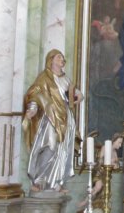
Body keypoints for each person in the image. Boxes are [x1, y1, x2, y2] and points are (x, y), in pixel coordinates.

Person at [22, 49, 83, 193]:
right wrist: (32, 109)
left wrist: (79, 95)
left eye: (63, 57)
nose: (62, 60)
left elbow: (73, 93)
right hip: (51, 117)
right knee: (50, 147)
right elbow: (35, 94)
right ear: (51, 60)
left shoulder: (66, 79)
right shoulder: (44, 78)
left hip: (65, 117)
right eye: (59, 57)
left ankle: (57, 182)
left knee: (63, 150)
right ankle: (38, 180)